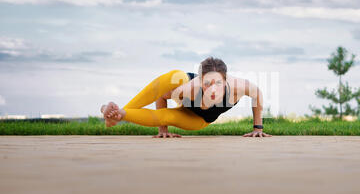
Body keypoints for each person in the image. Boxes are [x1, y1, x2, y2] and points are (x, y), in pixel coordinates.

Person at [100, 56, 272, 138]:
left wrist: (258, 128)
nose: (212, 89)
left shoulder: (238, 87)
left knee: (171, 116)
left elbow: (257, 95)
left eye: (218, 83)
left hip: (198, 119)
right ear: (200, 80)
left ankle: (115, 114)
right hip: (188, 98)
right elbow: (162, 95)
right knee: (174, 76)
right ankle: (120, 114)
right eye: (207, 83)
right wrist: (163, 129)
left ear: (225, 79)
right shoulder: (188, 89)